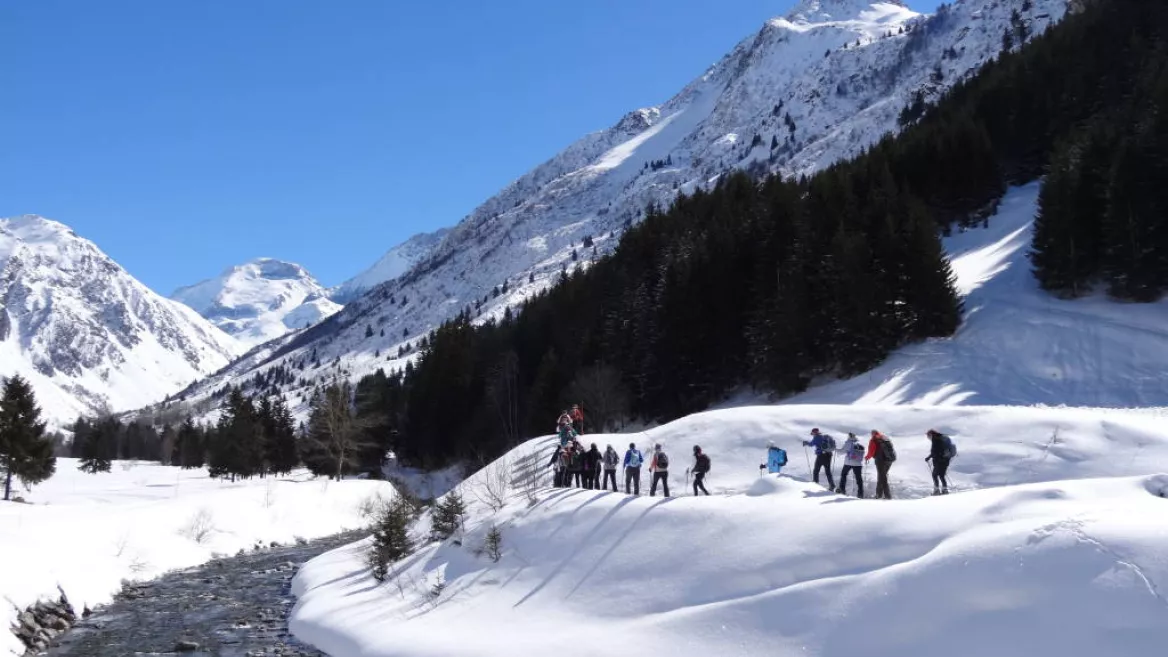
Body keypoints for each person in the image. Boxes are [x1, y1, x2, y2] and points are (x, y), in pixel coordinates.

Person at [865, 430, 896, 500]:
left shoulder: (873, 440)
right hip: (889, 461)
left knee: (882, 478)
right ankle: (879, 495)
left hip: (880, 461)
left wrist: (867, 457)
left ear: (873, 434)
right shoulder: (885, 438)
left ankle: (887, 496)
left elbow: (871, 452)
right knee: (881, 477)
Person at [835, 432, 865, 498]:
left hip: (848, 463)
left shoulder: (849, 443)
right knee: (859, 478)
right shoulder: (858, 443)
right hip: (858, 463)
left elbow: (842, 451)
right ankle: (860, 494)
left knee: (844, 475)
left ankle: (842, 490)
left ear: (849, 437)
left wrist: (835, 449)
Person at [925, 429, 953, 495]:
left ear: (931, 434)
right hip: (945, 461)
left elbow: (934, 452)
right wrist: (929, 457)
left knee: (934, 475)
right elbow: (937, 451)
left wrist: (929, 457)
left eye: (928, 436)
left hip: (939, 461)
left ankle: (936, 490)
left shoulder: (935, 440)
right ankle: (945, 490)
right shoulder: (940, 439)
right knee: (941, 475)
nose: (928, 437)